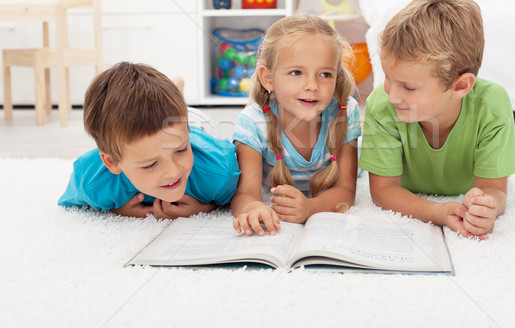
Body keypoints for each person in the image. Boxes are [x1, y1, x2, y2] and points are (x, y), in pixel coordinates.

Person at [359, 0, 515, 239]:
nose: (393, 96)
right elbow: (383, 190)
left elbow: (494, 189)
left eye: (409, 87)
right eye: (388, 78)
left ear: (460, 86)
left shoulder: (492, 106)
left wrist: (487, 206)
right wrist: (437, 211)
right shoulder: (382, 105)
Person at [231, 14, 362, 236]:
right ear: (267, 78)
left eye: (325, 74)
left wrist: (311, 207)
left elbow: (346, 190)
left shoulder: (345, 111)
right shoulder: (252, 123)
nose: (312, 85)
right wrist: (253, 208)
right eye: (296, 72)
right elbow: (244, 195)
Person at [58, 62, 240, 219]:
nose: (173, 171)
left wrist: (207, 208)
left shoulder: (219, 172)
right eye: (150, 164)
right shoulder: (91, 182)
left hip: (199, 126)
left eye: (181, 150)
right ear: (111, 162)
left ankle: (177, 91)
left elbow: (244, 195)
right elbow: (68, 204)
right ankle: (177, 91)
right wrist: (115, 209)